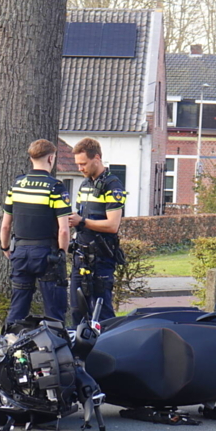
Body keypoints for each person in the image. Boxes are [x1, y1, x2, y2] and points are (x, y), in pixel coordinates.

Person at [0, 139, 71, 329]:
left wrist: (5, 247)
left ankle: (10, 340)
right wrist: (62, 253)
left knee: (17, 309)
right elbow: (64, 229)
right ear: (51, 158)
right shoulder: (55, 187)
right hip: (47, 254)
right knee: (54, 311)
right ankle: (55, 343)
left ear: (31, 158)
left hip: (20, 252)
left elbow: (5, 226)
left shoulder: (16, 185)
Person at [67, 137, 127, 324]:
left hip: (101, 257)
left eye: (83, 164)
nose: (80, 168)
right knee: (77, 309)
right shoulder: (85, 185)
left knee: (102, 312)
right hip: (81, 256)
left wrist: (82, 222)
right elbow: (81, 215)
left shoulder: (113, 185)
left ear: (97, 158)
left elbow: (112, 225)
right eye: (78, 164)